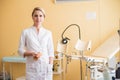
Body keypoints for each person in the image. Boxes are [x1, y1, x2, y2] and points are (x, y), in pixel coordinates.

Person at [18, 7, 54, 80]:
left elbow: (51, 51)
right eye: (36, 15)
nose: (38, 18)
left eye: (41, 16)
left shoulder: (48, 33)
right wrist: (30, 53)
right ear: (32, 17)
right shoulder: (26, 32)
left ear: (44, 17)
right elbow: (20, 50)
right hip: (32, 67)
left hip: (45, 66)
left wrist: (50, 66)